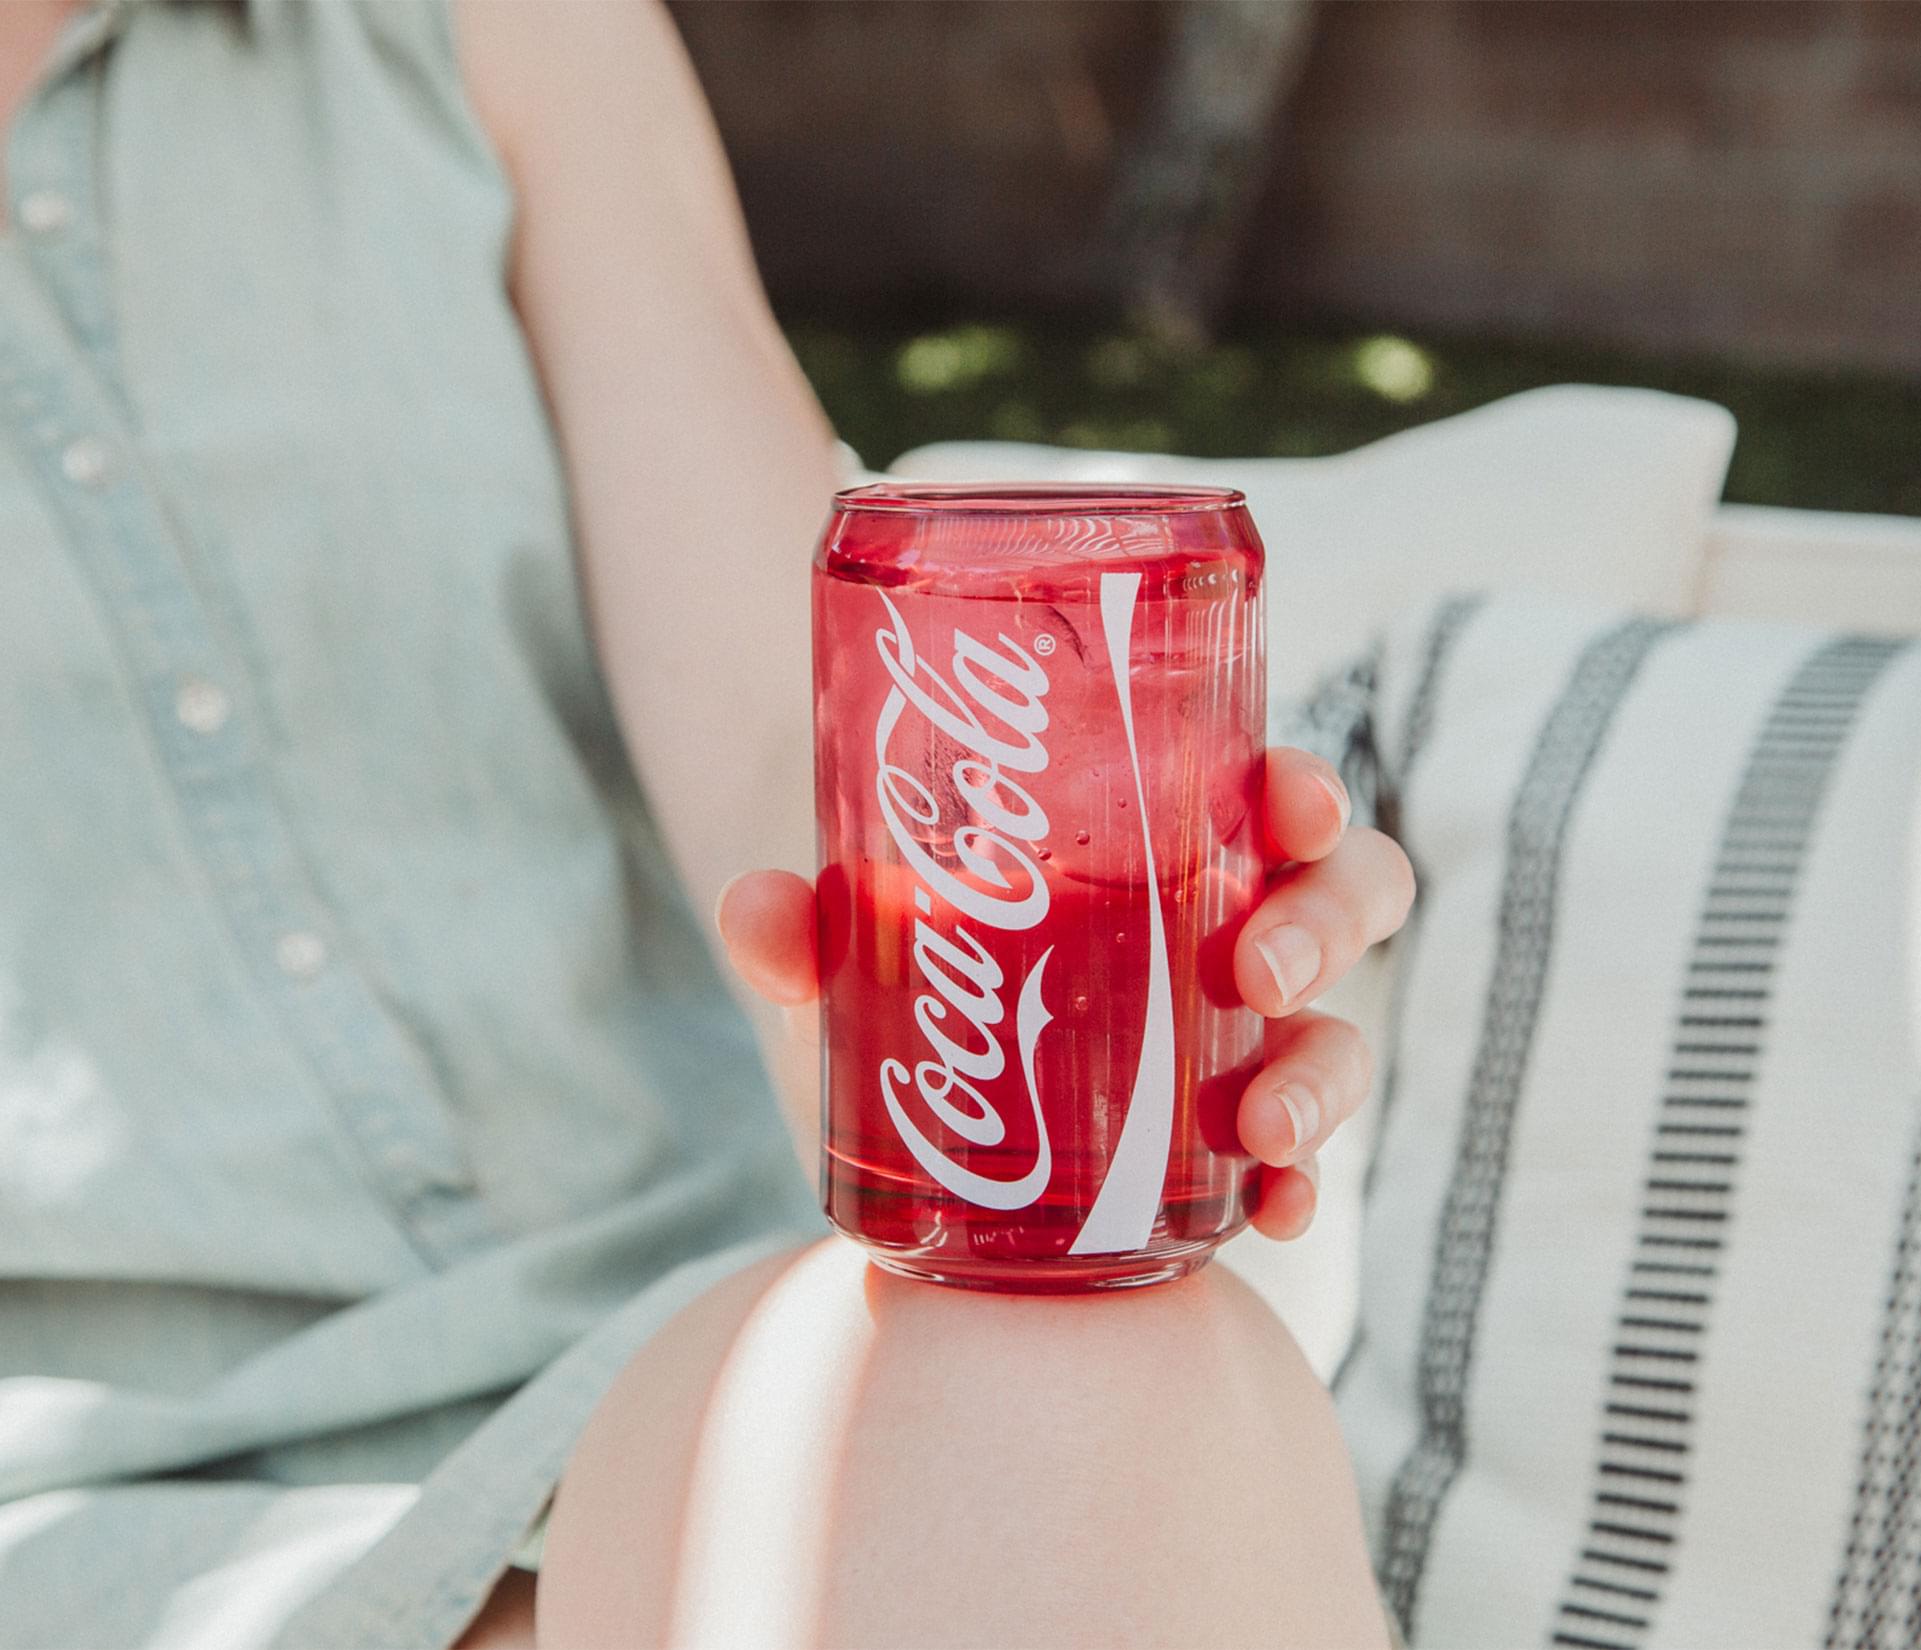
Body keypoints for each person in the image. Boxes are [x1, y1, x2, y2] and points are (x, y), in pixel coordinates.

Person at [0, 1, 1412, 1645]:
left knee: (1081, 1369)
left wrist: (991, 937)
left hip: (654, 1362)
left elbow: (786, 733)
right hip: (101, 1498)